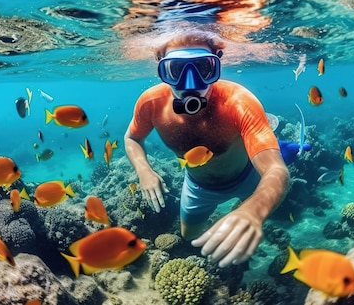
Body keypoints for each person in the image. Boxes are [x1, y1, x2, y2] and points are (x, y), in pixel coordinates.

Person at [124, 30, 309, 268]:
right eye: (177, 70)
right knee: (188, 236)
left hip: (249, 177)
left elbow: (276, 171)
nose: (191, 84)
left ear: (217, 63)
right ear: (160, 64)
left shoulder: (239, 102)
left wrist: (252, 210)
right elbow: (132, 138)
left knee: (279, 159)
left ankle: (282, 148)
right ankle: (277, 147)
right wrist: (144, 171)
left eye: (203, 69)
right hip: (198, 185)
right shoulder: (150, 104)